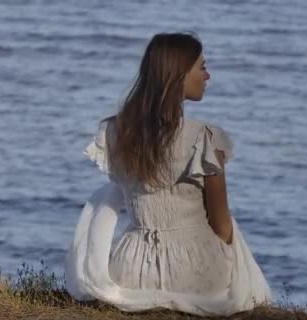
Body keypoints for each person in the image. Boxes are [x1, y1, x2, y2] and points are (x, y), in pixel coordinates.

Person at [65, 32, 272, 316]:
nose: (208, 75)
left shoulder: (114, 133)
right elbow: (221, 225)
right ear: (179, 75)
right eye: (202, 67)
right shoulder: (204, 138)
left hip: (131, 270)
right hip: (196, 272)